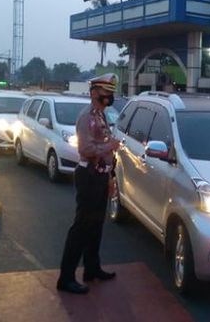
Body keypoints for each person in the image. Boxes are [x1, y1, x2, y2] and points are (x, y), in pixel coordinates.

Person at [57, 73, 121, 294]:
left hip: (101, 176)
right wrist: (110, 147)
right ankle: (66, 278)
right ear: (94, 93)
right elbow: (85, 150)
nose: (109, 96)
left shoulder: (101, 116)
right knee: (81, 228)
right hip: (89, 176)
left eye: (111, 93)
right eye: (106, 93)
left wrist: (110, 176)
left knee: (96, 226)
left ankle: (92, 269)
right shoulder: (87, 118)